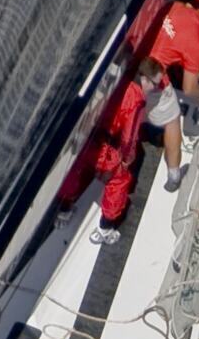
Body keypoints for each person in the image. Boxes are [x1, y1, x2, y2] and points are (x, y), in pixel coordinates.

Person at [57, 60, 164, 241]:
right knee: (120, 182)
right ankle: (105, 228)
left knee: (77, 172)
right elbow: (129, 137)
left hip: (89, 140)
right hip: (107, 150)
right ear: (145, 80)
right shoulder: (136, 100)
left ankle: (64, 209)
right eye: (156, 84)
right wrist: (126, 160)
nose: (156, 88)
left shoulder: (120, 83)